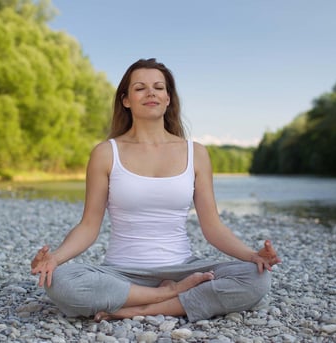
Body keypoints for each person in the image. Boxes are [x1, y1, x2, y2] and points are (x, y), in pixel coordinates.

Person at [31, 58, 281, 323]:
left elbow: (213, 226)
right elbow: (89, 226)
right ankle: (170, 296)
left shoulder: (195, 153)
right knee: (59, 281)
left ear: (168, 98)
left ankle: (140, 308)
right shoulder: (106, 153)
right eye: (140, 88)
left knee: (256, 278)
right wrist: (55, 258)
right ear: (126, 100)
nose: (151, 92)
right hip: (122, 273)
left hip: (183, 268)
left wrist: (252, 255)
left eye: (159, 87)